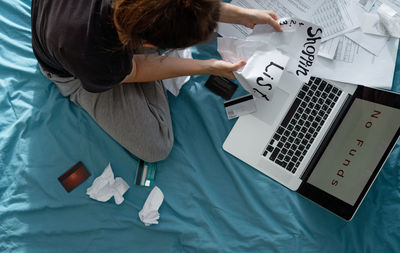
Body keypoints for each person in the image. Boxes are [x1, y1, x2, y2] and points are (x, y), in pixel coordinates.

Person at [31, 0, 282, 162]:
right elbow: (138, 68)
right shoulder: (97, 56)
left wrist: (243, 15)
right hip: (72, 68)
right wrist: (208, 66)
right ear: (149, 45)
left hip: (59, 18)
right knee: (157, 147)